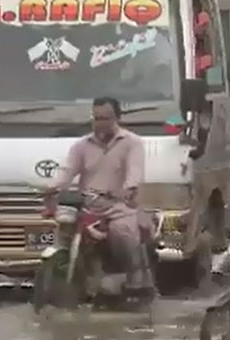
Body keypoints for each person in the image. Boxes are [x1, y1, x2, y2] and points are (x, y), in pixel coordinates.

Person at [47, 96, 152, 295]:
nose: (100, 123)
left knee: (122, 233)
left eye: (105, 118)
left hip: (120, 205)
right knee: (65, 230)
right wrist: (52, 187)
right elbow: (67, 171)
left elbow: (135, 173)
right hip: (88, 205)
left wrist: (128, 189)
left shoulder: (132, 143)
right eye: (96, 118)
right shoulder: (81, 146)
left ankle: (132, 278)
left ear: (117, 118)